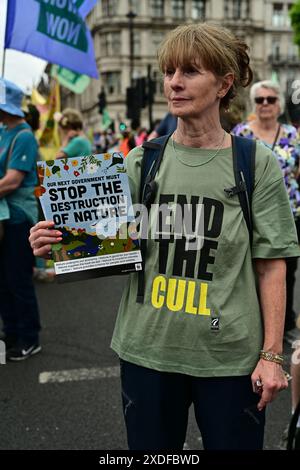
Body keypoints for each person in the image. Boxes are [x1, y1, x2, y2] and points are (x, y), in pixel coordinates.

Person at [29, 23, 300, 450]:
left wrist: (271, 355)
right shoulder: (141, 161)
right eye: (169, 71)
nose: (173, 82)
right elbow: (100, 244)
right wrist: (54, 240)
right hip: (147, 354)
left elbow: (271, 264)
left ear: (224, 84)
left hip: (228, 358)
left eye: (190, 71)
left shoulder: (255, 163)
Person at [232, 81, 300, 336]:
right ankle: (255, 320)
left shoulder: (293, 135)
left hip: (290, 212)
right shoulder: (241, 134)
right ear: (254, 104)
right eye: (259, 100)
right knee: (252, 267)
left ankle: (283, 321)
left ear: (279, 104)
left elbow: (296, 170)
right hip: (250, 212)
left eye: (270, 99)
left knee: (286, 269)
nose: (265, 105)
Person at [0, 78, 41, 361]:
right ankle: (11, 332)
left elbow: (12, 181)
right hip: (4, 219)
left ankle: (29, 337)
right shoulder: (3, 131)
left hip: (19, 219)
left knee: (18, 280)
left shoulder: (24, 135)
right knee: (3, 280)